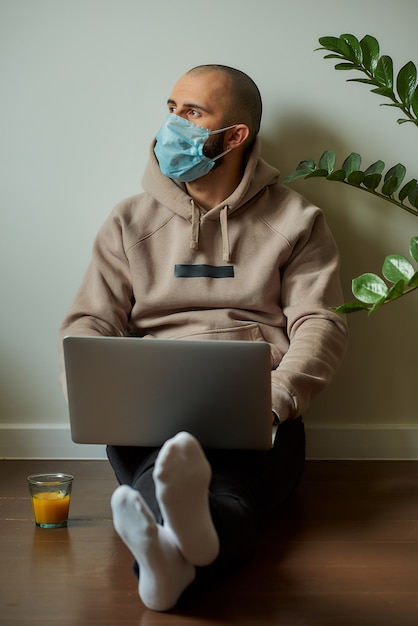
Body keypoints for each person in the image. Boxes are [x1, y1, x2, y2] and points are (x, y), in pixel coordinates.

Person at [58, 64, 348, 611]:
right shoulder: (127, 221)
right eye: (172, 108)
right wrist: (95, 396)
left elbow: (321, 323)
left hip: (260, 413)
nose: (173, 124)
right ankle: (180, 548)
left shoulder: (298, 221)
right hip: (149, 411)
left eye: (192, 112)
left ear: (234, 136)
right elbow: (87, 323)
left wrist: (276, 399)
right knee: (178, 478)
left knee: (228, 485)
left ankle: (160, 565)